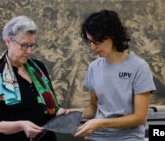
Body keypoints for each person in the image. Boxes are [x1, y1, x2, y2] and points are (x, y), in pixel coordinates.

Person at [65, 9, 156, 141]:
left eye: (97, 42)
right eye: (90, 42)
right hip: (97, 136)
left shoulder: (139, 67)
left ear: (112, 36)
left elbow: (139, 117)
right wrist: (76, 114)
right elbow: (93, 107)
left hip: (128, 137)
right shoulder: (94, 67)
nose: (92, 48)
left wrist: (100, 123)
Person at [0, 15, 65, 141]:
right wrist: (22, 125)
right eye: (24, 45)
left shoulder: (39, 68)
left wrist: (59, 113)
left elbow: (49, 107)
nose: (29, 51)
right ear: (8, 42)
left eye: (32, 45)